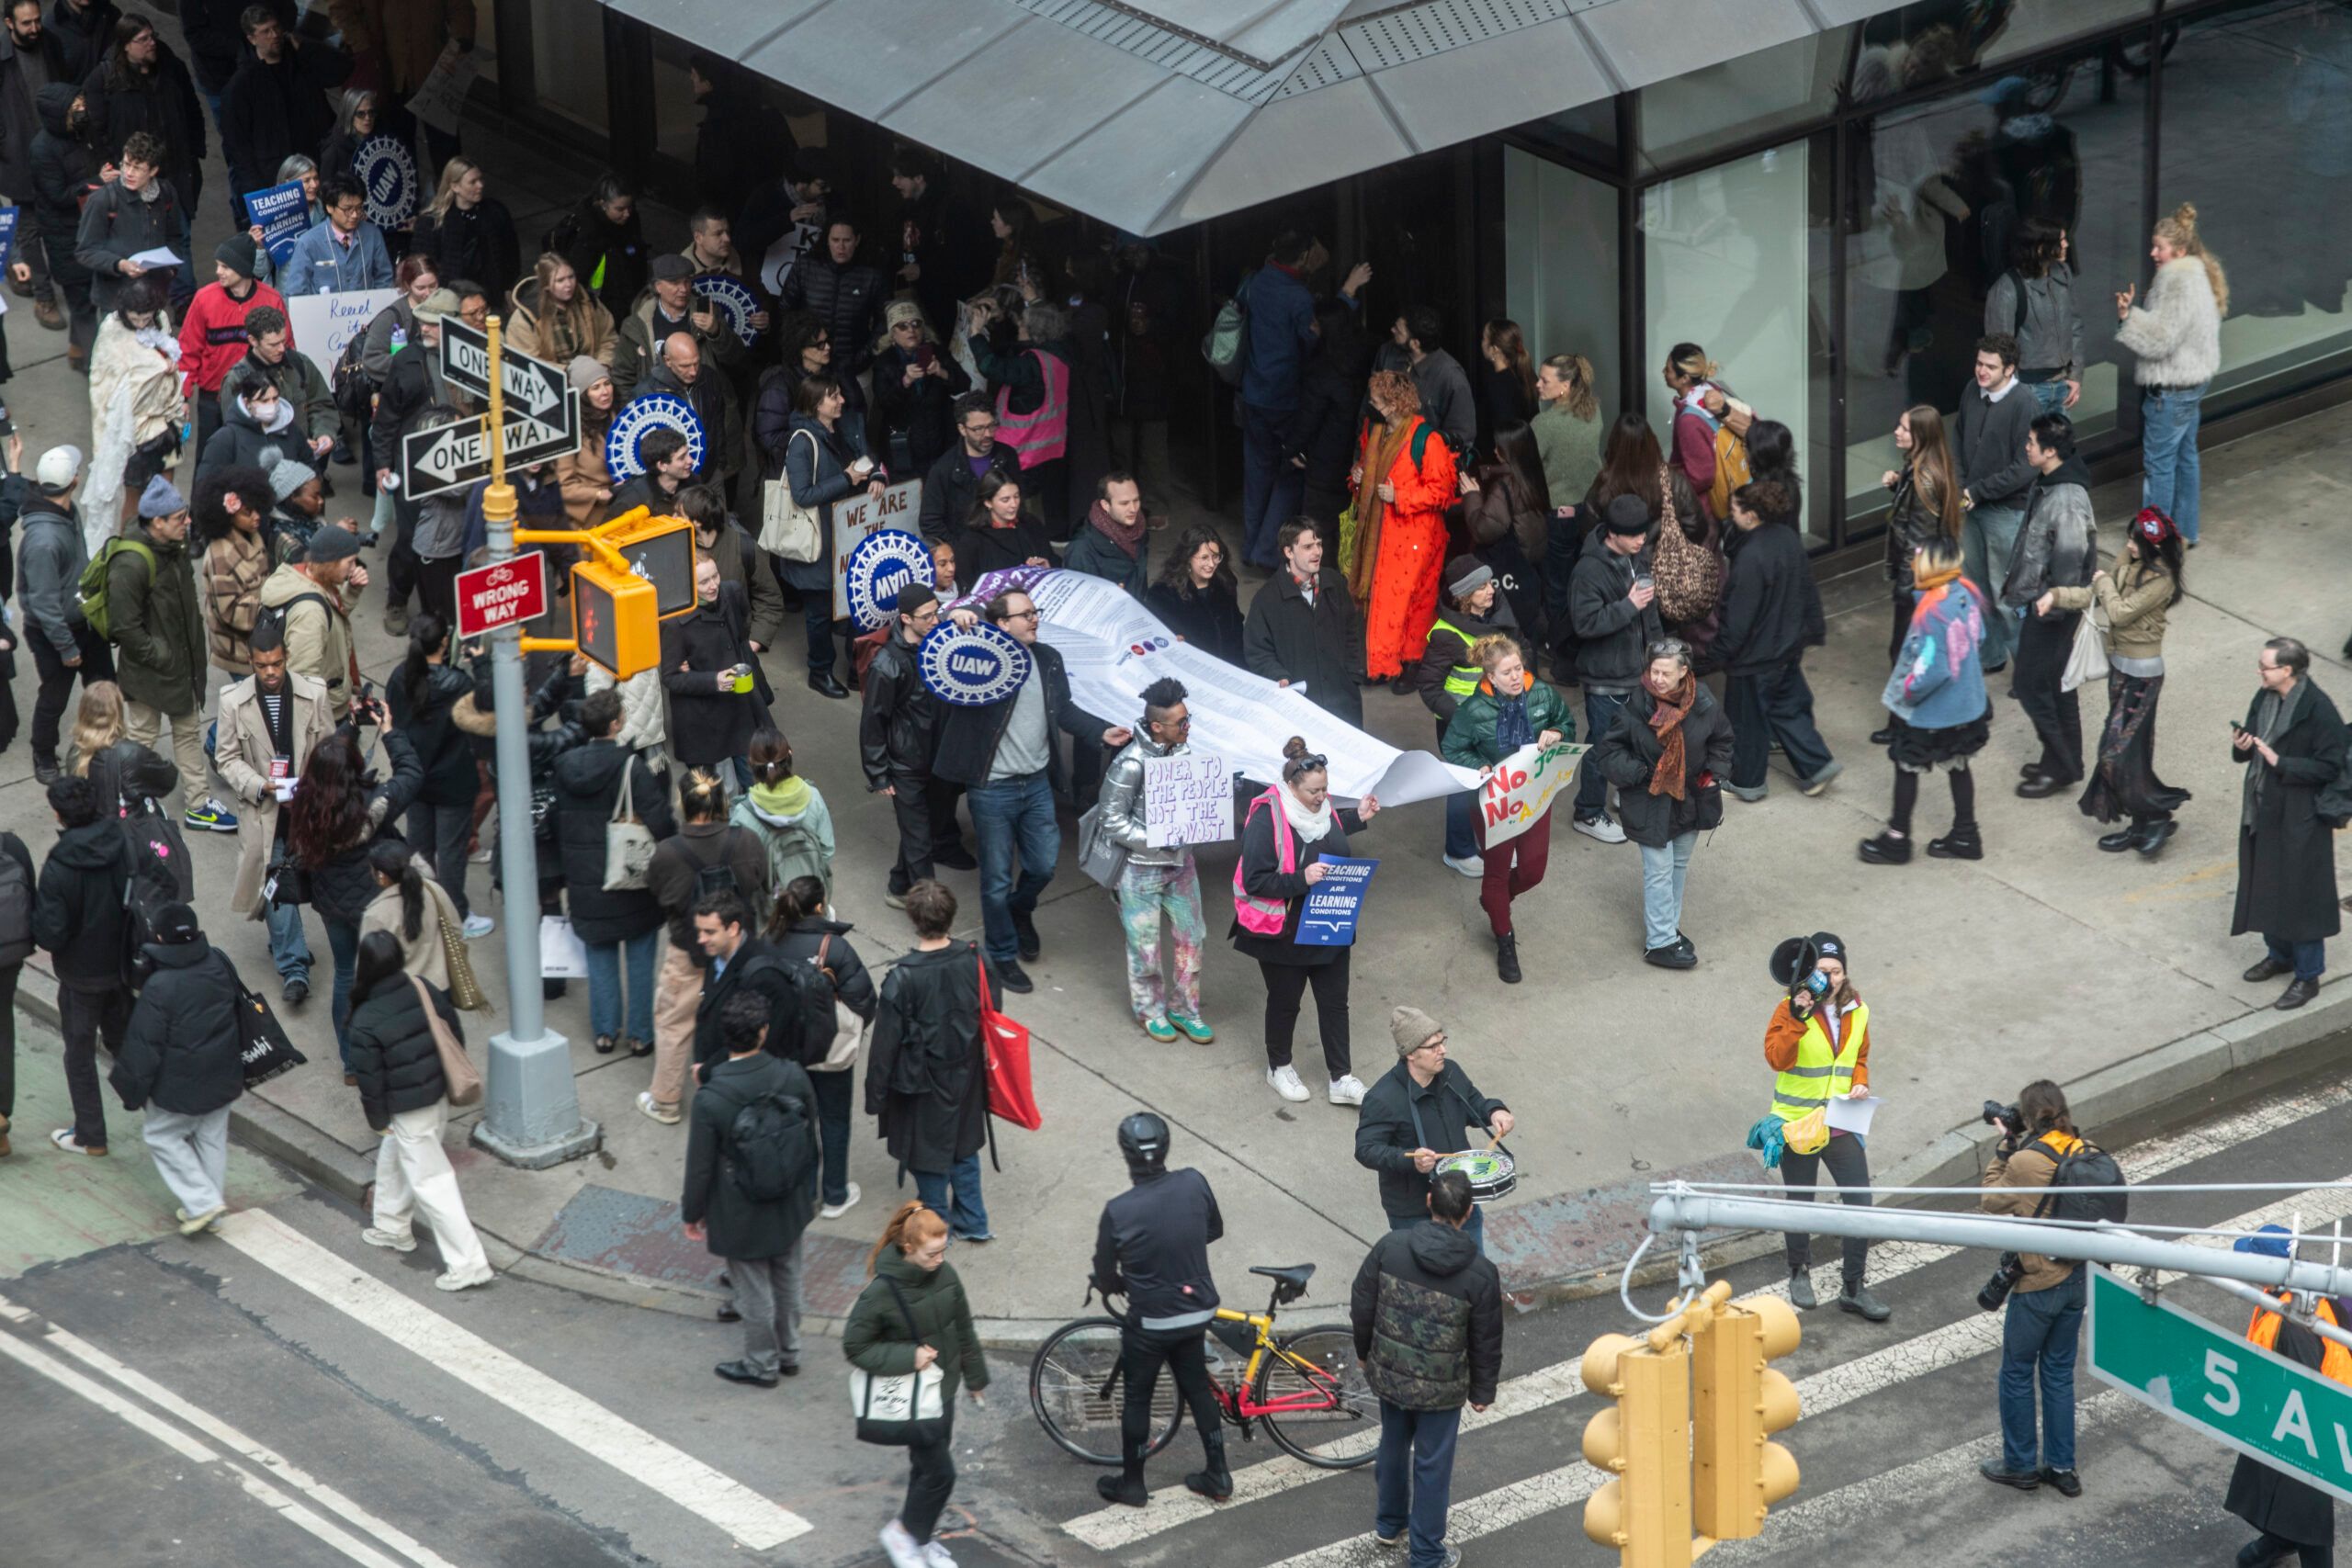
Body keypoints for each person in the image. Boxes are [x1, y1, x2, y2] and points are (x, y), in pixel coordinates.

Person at [932, 588, 1121, 992]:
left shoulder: (1048, 660)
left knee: (1042, 866)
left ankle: (1020, 910)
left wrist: (1101, 731)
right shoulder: (978, 657)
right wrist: (958, 618)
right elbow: (938, 654)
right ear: (1001, 624)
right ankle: (1001, 954)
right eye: (1025, 614)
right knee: (996, 878)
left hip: (1036, 784)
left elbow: (1064, 710)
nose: (1035, 619)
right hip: (992, 787)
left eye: (1036, 612)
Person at [1351, 1168, 1501, 1568]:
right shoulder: (1481, 1274)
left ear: (1429, 1202)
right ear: (1468, 1213)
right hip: (1442, 1388)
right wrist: (1483, 1392)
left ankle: (1389, 1524)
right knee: (1432, 1466)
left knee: (1393, 1443)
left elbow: (1362, 1303)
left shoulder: (1391, 1247)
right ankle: (1427, 1555)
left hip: (1390, 1374)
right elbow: (1485, 1338)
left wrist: (1364, 1352)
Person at [1090, 1111, 1230, 1507]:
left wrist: (1116, 1281)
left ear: (1125, 1153)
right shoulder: (1193, 1181)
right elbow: (1214, 1229)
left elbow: (1104, 1274)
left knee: (1138, 1398)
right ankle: (1218, 1473)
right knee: (1197, 1388)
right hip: (1196, 1311)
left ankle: (1133, 1485)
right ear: (1166, 1145)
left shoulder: (1119, 1210)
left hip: (1151, 1321)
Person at [682, 988, 820, 1387]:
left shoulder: (711, 1099)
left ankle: (762, 1364)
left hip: (739, 1209)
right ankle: (790, 1352)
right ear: (764, 1030)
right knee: (789, 1276)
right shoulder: (792, 1075)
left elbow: (699, 1167)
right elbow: (811, 1136)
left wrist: (693, 1214)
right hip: (790, 1200)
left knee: (754, 1289)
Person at [1234, 738, 1381, 1106]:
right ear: (1291, 788)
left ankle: (1341, 1078)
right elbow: (1255, 880)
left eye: (1325, 789)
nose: (1322, 797)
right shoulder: (1267, 818)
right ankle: (1278, 1066)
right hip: (1284, 934)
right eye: (1314, 791)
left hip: (1328, 922)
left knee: (1335, 1003)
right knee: (1285, 1001)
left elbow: (1325, 830)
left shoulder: (1322, 807)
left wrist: (1357, 817)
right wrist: (1303, 879)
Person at [843, 1200, 989, 1568]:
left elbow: (963, 1328)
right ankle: (906, 1535)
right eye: (932, 1253)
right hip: (914, 1398)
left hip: (943, 1392)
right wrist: (909, 1357)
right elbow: (856, 1346)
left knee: (926, 1470)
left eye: (943, 1251)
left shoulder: (947, 1276)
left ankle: (918, 1540)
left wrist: (975, 1378)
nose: (940, 1259)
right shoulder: (881, 1292)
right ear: (909, 1249)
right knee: (941, 1474)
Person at [346, 929, 493, 1292]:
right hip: (437, 1095)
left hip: (408, 1109)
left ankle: (469, 1263)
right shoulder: (422, 986)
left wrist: (379, 1121)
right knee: (395, 1154)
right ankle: (392, 1225)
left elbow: (371, 1082)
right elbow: (453, 1032)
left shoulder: (365, 1019)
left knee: (433, 1183)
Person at [1762, 933, 1892, 1321]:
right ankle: (1798, 1271)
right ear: (1807, 973)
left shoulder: (1858, 1010)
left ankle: (1853, 1287)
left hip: (1839, 1122)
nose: (1830, 979)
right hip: (1797, 1124)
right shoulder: (1789, 1008)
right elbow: (1777, 1059)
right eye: (1822, 971)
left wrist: (1860, 1082)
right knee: (1801, 1203)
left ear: (1845, 973)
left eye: (1836, 971)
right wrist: (1798, 1019)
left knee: (1860, 1203)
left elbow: (1860, 1056)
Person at [286, 707, 420, 1066]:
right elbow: (411, 773)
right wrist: (389, 731)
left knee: (346, 973)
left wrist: (349, 722)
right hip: (372, 903)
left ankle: (352, 1062)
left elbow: (332, 761)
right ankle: (385, 1054)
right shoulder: (371, 803)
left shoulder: (304, 803)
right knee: (386, 976)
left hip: (331, 904)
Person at [1589, 638, 1734, 967]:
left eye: (1666, 673)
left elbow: (1722, 740)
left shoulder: (1704, 703)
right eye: (1654, 671)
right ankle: (1660, 943)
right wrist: (1640, 772)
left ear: (1684, 672)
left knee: (1678, 866)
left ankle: (1668, 928)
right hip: (1649, 800)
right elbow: (1608, 753)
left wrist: (1714, 774)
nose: (1657, 679)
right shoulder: (1635, 706)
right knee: (1658, 871)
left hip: (1690, 799)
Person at [866, 881, 999, 1242]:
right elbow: (993, 1009)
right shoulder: (977, 959)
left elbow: (884, 1048)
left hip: (920, 1084)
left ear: (912, 919)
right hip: (968, 1073)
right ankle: (974, 1222)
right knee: (964, 1145)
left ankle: (937, 1230)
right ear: (951, 915)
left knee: (927, 1156)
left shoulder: (902, 979)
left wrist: (875, 1096)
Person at [1977, 1079, 2087, 1494]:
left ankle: (2021, 1463)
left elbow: (1991, 1199)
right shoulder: (2082, 1147)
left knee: (2018, 1372)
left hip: (2040, 1281)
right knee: (2059, 1373)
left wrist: (2005, 1147)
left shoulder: (2025, 1161)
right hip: (2078, 1277)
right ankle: (2062, 1468)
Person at [640, 768, 768, 1122]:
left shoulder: (667, 852)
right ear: (720, 800)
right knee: (741, 1021)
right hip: (739, 949)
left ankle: (665, 1101)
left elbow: (660, 893)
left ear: (682, 803)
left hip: (688, 948)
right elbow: (761, 881)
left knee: (674, 1021)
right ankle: (739, 1097)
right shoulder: (746, 840)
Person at [1441, 635, 1569, 984]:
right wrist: (1478, 764)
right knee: (1496, 872)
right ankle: (1504, 939)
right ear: (1490, 677)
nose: (1516, 676)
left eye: (1519, 668)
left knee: (1532, 871)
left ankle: (1494, 900)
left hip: (1535, 796)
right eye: (1507, 672)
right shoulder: (1472, 710)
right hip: (1493, 803)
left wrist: (1557, 731)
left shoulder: (1542, 693)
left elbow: (1566, 720)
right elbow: (1452, 748)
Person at [2066, 509, 2197, 855]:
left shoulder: (2162, 579)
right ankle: (2141, 824)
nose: (2127, 546)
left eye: (2133, 542)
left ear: (2152, 548)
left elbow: (2119, 610)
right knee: (2132, 753)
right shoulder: (2136, 560)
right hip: (2120, 668)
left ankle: (2156, 816)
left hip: (2143, 675)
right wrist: (2057, 596)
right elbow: (2101, 586)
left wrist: (2106, 583)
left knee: (2116, 753)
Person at [213, 618, 328, 1002]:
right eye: (262, 666)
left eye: (276, 664)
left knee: (317, 882)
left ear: (286, 658)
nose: (271, 673)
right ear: (251, 663)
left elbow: (329, 751)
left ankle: (283, 941)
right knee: (276, 884)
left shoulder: (314, 694)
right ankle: (294, 968)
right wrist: (261, 785)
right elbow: (225, 758)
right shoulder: (233, 701)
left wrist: (314, 787)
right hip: (265, 813)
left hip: (308, 810)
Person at [109, 899, 242, 1233]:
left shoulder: (160, 986)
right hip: (223, 1071)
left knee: (161, 1135)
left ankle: (203, 1202)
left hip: (180, 1083)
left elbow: (144, 1046)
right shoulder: (218, 963)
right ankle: (211, 1206)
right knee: (211, 1137)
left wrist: (130, 1091)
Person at [1860, 537, 1991, 866]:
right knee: (1958, 765)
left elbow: (1934, 669)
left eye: (1917, 561)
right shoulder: (1965, 593)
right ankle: (1965, 834)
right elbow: (1981, 638)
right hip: (1966, 707)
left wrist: (1907, 690)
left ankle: (1897, 839)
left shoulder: (1933, 612)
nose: (1911, 565)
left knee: (1907, 767)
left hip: (1933, 713)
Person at [1096, 678, 1215, 1043]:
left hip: (1181, 866)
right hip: (1139, 872)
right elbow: (1110, 819)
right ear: (1158, 726)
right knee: (1145, 945)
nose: (1188, 726)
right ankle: (1150, 1010)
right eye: (1181, 722)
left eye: (1188, 718)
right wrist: (1156, 842)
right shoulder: (1130, 764)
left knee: (1192, 938)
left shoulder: (1187, 755)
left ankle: (1184, 1009)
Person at [2232, 637, 2346, 1012]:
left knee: (2302, 894)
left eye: (2265, 666)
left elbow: (2331, 766)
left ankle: (2308, 975)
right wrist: (2243, 745)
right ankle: (2278, 955)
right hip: (2264, 807)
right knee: (2267, 881)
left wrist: (2282, 762)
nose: (2259, 671)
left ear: (2287, 671)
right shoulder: (2265, 697)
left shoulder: (2318, 709)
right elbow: (2248, 742)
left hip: (2301, 813)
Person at [2222, 1227, 2342, 1566]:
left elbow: (2307, 1389)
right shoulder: (2289, 1295)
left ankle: (2284, 1542)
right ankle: (2279, 1539)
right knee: (2278, 1491)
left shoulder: (2293, 1320)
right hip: (2287, 1413)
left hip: (2309, 1424)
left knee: (2305, 1508)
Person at [1711, 480, 1837, 801]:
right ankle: (1816, 765)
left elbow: (1738, 619)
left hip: (1753, 658)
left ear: (1751, 516)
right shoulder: (1786, 538)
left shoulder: (1751, 557)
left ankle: (1748, 782)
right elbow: (1805, 590)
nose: (1731, 514)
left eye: (1735, 509)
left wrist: (1719, 652)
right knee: (1788, 707)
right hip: (1786, 646)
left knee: (1746, 721)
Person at [1355, 1008, 1512, 1251]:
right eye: (1433, 1046)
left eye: (1442, 1041)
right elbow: (1366, 1149)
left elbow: (1473, 1103)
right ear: (1410, 1054)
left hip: (1458, 1197)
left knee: (1472, 1269)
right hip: (1414, 1211)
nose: (1443, 1050)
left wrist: (1494, 1111)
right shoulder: (1383, 1098)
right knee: (1424, 1279)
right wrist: (1410, 1159)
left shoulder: (1451, 1072)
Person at [2116, 203, 2226, 547]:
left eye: (2159, 247)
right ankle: (2185, 532)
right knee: (2185, 458)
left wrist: (2127, 318)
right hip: (2192, 383)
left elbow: (2162, 339)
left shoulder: (2175, 281)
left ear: (2178, 250)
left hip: (2173, 389)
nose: (2153, 253)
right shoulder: (2197, 275)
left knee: (2160, 466)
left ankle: (2154, 540)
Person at [767, 876, 875, 1221]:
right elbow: (865, 1001)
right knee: (835, 1120)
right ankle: (834, 1195)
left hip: (786, 1053)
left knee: (799, 1121)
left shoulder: (768, 943)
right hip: (831, 1052)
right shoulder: (836, 948)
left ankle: (804, 1192)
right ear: (818, 906)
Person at [2005, 413, 2099, 798]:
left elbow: (2071, 562)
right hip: (2045, 602)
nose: (2025, 447)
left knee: (2030, 684)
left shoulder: (2067, 500)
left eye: (2031, 442)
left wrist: (2053, 607)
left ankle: (2061, 764)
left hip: (2054, 608)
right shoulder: (2049, 482)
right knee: (2057, 685)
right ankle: (2064, 761)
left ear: (2050, 451)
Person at [34, 774, 130, 1154]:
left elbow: (51, 934)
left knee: (79, 1054)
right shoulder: (122, 843)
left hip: (79, 977)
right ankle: (167, 1115)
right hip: (122, 966)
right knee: (128, 1046)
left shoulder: (59, 866)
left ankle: (91, 1135)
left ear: (59, 815)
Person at [1348, 370, 1457, 687]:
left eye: (1377, 401)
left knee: (1413, 602)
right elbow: (1368, 473)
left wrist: (1401, 496)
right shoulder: (1375, 430)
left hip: (1416, 537)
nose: (1371, 405)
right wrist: (1359, 477)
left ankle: (1410, 663)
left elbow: (1442, 492)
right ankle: (1382, 664)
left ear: (1394, 404)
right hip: (1383, 535)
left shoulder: (1427, 440)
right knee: (1383, 601)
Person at [1566, 494, 1665, 841]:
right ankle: (1589, 811)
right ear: (1613, 533)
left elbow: (1649, 612)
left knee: (1638, 738)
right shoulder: (1589, 570)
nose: (1642, 540)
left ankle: (1625, 790)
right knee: (1602, 746)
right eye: (1635, 534)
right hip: (1605, 678)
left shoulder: (1638, 557)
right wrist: (1628, 605)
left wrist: (1660, 658)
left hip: (1638, 671)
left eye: (1644, 533)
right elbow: (1585, 623)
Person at [782, 373, 886, 698]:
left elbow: (868, 457)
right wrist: (846, 478)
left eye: (840, 394)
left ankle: (857, 669)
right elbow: (802, 495)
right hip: (820, 540)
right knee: (819, 612)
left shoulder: (847, 427)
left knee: (856, 601)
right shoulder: (801, 441)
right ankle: (820, 671)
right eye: (833, 396)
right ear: (816, 405)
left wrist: (877, 473)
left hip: (849, 535)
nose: (841, 400)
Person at [860, 584, 963, 908]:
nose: (936, 620)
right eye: (927, 615)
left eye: (937, 612)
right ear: (906, 618)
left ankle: (898, 885)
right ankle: (929, 910)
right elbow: (873, 723)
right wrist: (878, 774)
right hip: (905, 765)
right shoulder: (887, 665)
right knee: (919, 841)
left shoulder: (940, 644)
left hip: (936, 758)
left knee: (921, 830)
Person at [385, 613, 487, 936]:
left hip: (415, 778)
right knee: (451, 852)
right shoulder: (460, 684)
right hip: (453, 782)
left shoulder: (400, 678)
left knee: (419, 847)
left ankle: (418, 907)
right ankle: (455, 914)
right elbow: (482, 715)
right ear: (445, 643)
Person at [20, 445, 113, 784]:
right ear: (73, 481)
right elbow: (44, 604)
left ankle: (103, 745)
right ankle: (43, 752)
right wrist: (67, 647)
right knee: (55, 696)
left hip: (83, 619)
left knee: (104, 686)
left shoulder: (66, 511)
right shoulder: (43, 540)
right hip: (55, 631)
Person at [1418, 557, 1513, 878]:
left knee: (1495, 783)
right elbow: (1430, 688)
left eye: (1490, 582)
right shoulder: (1446, 635)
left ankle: (1490, 845)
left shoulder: (1496, 616)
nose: (1491, 590)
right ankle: (1458, 851)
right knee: (1465, 787)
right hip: (1461, 726)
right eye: (1482, 586)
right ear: (1464, 596)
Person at [1232, 231, 1322, 567]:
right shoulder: (1299, 297)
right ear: (1302, 258)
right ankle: (1268, 553)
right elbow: (1311, 343)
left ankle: (1249, 547)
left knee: (1256, 473)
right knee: (1289, 474)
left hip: (1254, 393)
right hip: (1285, 398)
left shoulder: (1256, 283)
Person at [1954, 333, 2037, 673]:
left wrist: (1979, 491)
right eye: (1979, 363)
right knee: (1974, 588)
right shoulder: (1971, 391)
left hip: (2006, 511)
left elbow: (2026, 466)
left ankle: (2029, 670)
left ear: (2010, 369)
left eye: (1991, 367)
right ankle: (1991, 656)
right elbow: (1958, 438)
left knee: (2007, 597)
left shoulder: (2025, 404)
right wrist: (1962, 487)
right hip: (1972, 505)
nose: (1982, 372)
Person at [1875, 404, 1965, 699]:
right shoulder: (1922, 465)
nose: (1896, 432)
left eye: (1904, 429)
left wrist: (1904, 590)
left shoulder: (1923, 477)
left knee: (1903, 651)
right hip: (1927, 578)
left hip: (1917, 581)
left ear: (1922, 436)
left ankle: (1902, 724)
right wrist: (1899, 485)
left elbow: (1918, 542)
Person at [218, 5, 346, 209]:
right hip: (276, 177)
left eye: (276, 28)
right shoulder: (241, 87)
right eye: (265, 31)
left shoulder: (301, 62)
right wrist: (258, 190)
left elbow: (341, 70)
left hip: (316, 163)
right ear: (252, 39)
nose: (275, 35)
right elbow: (237, 145)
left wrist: (305, 50)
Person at [84, 274, 184, 535]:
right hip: (133, 430)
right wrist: (158, 367)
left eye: (145, 316)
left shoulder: (160, 320)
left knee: (166, 486)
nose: (140, 322)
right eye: (135, 317)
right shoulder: (111, 329)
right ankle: (130, 542)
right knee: (134, 495)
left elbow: (165, 350)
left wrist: (168, 365)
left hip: (165, 421)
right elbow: (104, 382)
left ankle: (164, 538)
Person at [82, 18, 206, 227]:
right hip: (136, 182)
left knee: (180, 240)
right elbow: (96, 130)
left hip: (175, 174)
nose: (152, 43)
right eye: (143, 39)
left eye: (152, 36)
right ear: (126, 46)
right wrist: (114, 166)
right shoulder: (103, 80)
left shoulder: (172, 69)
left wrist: (194, 151)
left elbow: (192, 111)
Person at [662, 554, 771, 784]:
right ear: (689, 585)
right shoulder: (674, 623)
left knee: (756, 784)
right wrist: (713, 680)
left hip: (739, 709)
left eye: (715, 576)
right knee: (717, 794)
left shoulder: (731, 592)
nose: (713, 586)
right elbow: (670, 677)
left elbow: (742, 630)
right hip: (704, 721)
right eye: (704, 582)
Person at [1245, 519, 1364, 728]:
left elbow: (1352, 630)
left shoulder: (1334, 583)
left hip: (1343, 703)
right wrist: (1279, 677)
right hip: (1299, 709)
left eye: (1318, 544)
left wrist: (1352, 675)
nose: (1317, 552)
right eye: (1308, 547)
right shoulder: (1267, 599)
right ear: (1289, 552)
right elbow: (1258, 651)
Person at [177, 236, 282, 454]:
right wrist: (182, 397)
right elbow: (187, 351)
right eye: (218, 265)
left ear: (243, 268)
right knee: (210, 460)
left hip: (259, 397)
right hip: (211, 399)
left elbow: (285, 348)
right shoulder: (204, 299)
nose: (218, 272)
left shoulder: (271, 300)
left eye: (225, 266)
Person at [74, 130, 188, 317]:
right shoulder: (102, 200)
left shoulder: (166, 194)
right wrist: (120, 264)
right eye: (126, 164)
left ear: (153, 171)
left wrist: (169, 269)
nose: (128, 173)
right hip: (115, 302)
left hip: (154, 298)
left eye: (137, 168)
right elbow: (85, 251)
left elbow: (175, 237)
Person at [257, 520, 365, 719]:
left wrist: (351, 592)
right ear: (330, 563)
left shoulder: (308, 578)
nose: (354, 568)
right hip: (325, 714)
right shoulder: (310, 613)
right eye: (350, 562)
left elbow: (333, 617)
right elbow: (302, 679)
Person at [29, 81, 103, 366]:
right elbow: (59, 195)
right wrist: (97, 182)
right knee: (82, 303)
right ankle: (94, 367)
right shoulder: (42, 150)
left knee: (85, 299)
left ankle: (76, 348)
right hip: (65, 238)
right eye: (76, 109)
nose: (83, 111)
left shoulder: (81, 135)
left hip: (87, 229)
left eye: (82, 104)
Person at [217, 304, 336, 473]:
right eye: (273, 344)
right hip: (262, 477)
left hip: (306, 468)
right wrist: (291, 446)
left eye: (283, 341)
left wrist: (324, 432)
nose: (281, 349)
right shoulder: (236, 381)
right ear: (253, 341)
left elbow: (321, 404)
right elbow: (238, 437)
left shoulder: (300, 364)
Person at [779, 213, 885, 399]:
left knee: (855, 426)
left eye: (847, 240)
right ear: (826, 239)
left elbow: (884, 322)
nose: (841, 247)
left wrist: (863, 357)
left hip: (855, 369)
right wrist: (802, 352)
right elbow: (786, 311)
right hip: (809, 369)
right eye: (835, 240)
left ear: (857, 240)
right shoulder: (805, 266)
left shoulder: (871, 274)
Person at [1985, 219, 2084, 417]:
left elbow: (2075, 326)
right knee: (2028, 447)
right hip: (2029, 389)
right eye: (2060, 240)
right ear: (2040, 249)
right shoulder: (2007, 289)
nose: (2066, 244)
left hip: (2062, 384)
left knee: (2058, 447)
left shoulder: (2063, 273)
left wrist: (2075, 375)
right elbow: (1999, 350)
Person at [614, 252, 744, 400]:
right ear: (658, 287)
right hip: (657, 410)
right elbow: (622, 378)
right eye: (675, 283)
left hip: (706, 405)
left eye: (687, 281)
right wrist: (636, 415)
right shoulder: (636, 326)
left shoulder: (708, 312)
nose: (683, 289)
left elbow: (736, 359)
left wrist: (716, 332)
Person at [730, 726, 835, 907]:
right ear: (790, 755)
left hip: (771, 909)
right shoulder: (813, 796)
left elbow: (740, 870)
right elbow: (827, 849)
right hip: (810, 901)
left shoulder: (743, 814)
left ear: (751, 763)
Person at [870, 299, 970, 474]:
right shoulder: (884, 361)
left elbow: (964, 384)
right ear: (892, 333)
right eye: (903, 326)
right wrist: (905, 381)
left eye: (916, 324)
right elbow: (883, 401)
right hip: (905, 443)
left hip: (940, 437)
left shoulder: (936, 352)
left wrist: (942, 372)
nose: (911, 330)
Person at [356, 839, 464, 988]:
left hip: (403, 994)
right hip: (441, 986)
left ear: (381, 876)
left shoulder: (376, 914)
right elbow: (456, 930)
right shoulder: (433, 889)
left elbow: (370, 966)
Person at [410, 156, 518, 304]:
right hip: (450, 299)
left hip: (491, 297)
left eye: (480, 179)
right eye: (472, 182)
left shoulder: (495, 212)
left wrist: (508, 287)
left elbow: (510, 255)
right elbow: (422, 265)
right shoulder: (431, 222)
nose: (480, 185)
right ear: (455, 186)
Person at [918, 391, 1022, 543]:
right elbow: (930, 522)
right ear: (962, 429)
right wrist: (961, 551)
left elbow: (1021, 505)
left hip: (1007, 544)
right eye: (978, 429)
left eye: (991, 426)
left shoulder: (1007, 456)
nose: (987, 434)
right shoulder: (943, 469)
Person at [277, 175, 391, 296]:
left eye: (358, 208)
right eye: (348, 209)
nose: (354, 215)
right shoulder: (307, 243)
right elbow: (296, 291)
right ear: (330, 207)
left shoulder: (373, 235)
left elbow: (384, 279)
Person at [1147, 525, 1242, 665]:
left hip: (1229, 666)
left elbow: (1237, 628)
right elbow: (1156, 638)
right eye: (1204, 558)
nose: (1211, 564)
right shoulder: (1163, 594)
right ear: (1188, 557)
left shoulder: (1225, 583)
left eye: (1215, 556)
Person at [1530, 353, 1602, 531]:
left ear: (1565, 386)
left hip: (1558, 510)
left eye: (1544, 381)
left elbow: (1527, 466)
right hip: (1592, 504)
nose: (1538, 384)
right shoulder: (1593, 411)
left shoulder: (1544, 423)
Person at [508, 251, 616, 367]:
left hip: (594, 378)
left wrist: (602, 366)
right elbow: (528, 361)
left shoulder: (589, 304)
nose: (569, 284)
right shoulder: (525, 318)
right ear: (546, 285)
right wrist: (568, 374)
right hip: (553, 381)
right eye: (560, 280)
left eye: (571, 277)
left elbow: (608, 340)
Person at [949, 468, 1051, 580]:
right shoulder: (972, 541)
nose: (1014, 504)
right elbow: (965, 584)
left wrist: (1047, 568)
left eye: (1016, 496)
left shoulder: (1031, 524)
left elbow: (1052, 558)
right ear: (988, 502)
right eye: (1005, 500)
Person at [1064, 469, 1149, 598]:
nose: (1133, 509)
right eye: (1124, 503)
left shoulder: (1139, 529)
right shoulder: (1082, 549)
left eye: (1136, 500)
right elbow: (1078, 600)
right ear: (1105, 505)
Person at [1475, 318, 1536, 453]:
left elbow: (1502, 428)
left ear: (1495, 349)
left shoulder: (1498, 384)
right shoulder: (1527, 375)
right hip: (1523, 457)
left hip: (1502, 458)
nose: (1482, 343)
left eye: (1484, 338)